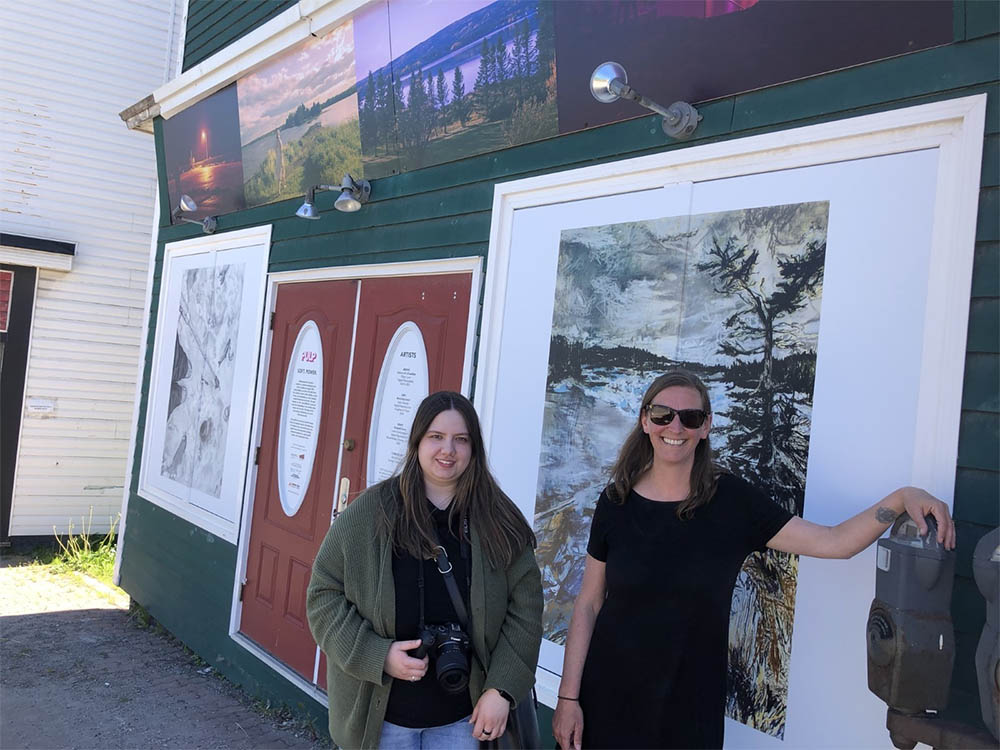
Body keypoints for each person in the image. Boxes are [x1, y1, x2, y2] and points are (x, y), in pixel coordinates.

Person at [551, 370, 955, 750]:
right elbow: (588, 603)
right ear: (644, 420)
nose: (675, 428)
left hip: (687, 710)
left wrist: (902, 498)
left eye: (690, 418)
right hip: (606, 697)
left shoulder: (730, 503)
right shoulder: (616, 501)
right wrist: (569, 696)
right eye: (662, 414)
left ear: (705, 427)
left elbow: (835, 542)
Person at [307, 391, 543, 750]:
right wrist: (376, 654)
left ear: (473, 448)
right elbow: (323, 595)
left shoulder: (499, 521)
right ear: (417, 442)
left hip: (464, 720)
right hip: (383, 722)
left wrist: (501, 689)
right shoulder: (372, 513)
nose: (447, 450)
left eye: (460, 439)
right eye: (436, 437)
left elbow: (525, 612)